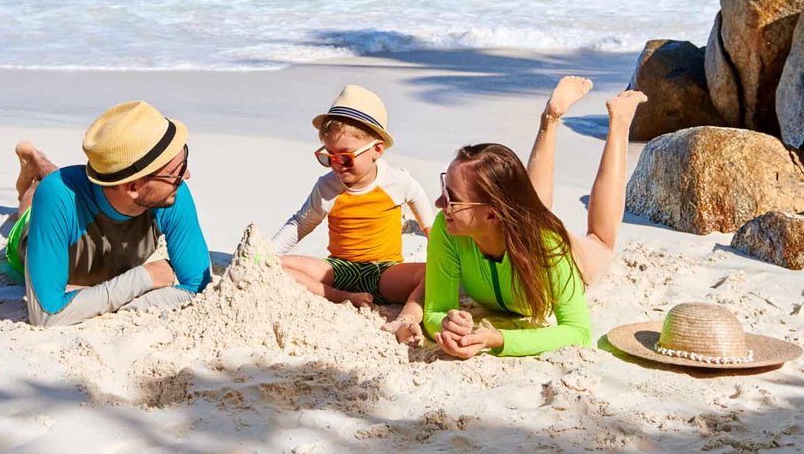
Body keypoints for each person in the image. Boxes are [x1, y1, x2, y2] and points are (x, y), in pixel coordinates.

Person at [422, 76, 643, 358]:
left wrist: (499, 340)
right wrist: (446, 324)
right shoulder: (447, 227)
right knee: (527, 205)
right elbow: (435, 311)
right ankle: (550, 119)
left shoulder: (548, 245)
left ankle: (620, 121)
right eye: (444, 189)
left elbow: (578, 331)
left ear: (490, 214)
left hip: (563, 254)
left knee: (601, 240)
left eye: (452, 198)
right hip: (516, 223)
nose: (440, 203)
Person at [7, 99, 212, 329]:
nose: (186, 176)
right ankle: (35, 175)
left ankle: (44, 166)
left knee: (60, 184)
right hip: (40, 224)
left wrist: (88, 301)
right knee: (31, 205)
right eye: (176, 172)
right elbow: (46, 315)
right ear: (133, 188)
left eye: (184, 159)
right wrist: (144, 278)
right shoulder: (58, 198)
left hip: (89, 222)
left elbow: (199, 290)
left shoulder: (174, 195)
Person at [274, 85, 434, 335]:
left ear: (376, 151)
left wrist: (438, 251)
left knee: (431, 273)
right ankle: (344, 297)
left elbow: (426, 218)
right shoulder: (327, 186)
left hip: (385, 271)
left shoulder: (397, 181)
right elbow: (300, 224)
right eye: (329, 157)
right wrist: (268, 252)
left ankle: (407, 318)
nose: (336, 165)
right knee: (276, 266)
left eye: (345, 158)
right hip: (339, 269)